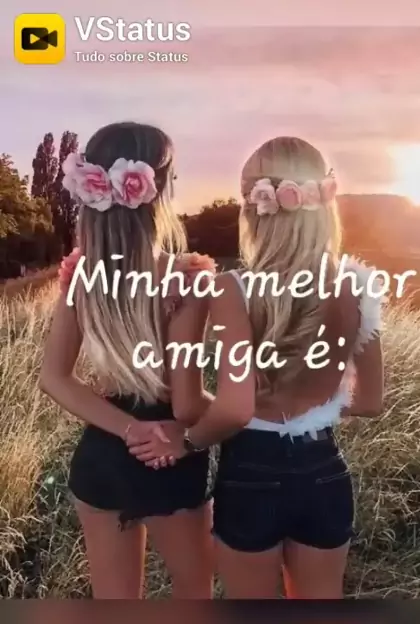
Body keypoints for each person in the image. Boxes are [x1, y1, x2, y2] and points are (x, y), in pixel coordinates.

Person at [133, 136, 384, 599]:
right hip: (325, 470)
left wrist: (188, 441)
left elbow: (234, 409)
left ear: (254, 206)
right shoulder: (357, 285)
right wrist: (312, 408)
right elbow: (370, 402)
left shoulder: (233, 288)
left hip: (251, 471)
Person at [39, 121, 215, 599]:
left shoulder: (82, 277)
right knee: (194, 596)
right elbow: (187, 404)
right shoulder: (184, 279)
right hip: (168, 452)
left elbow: (54, 378)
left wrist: (127, 429)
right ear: (161, 187)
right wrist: (233, 410)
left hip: (103, 451)